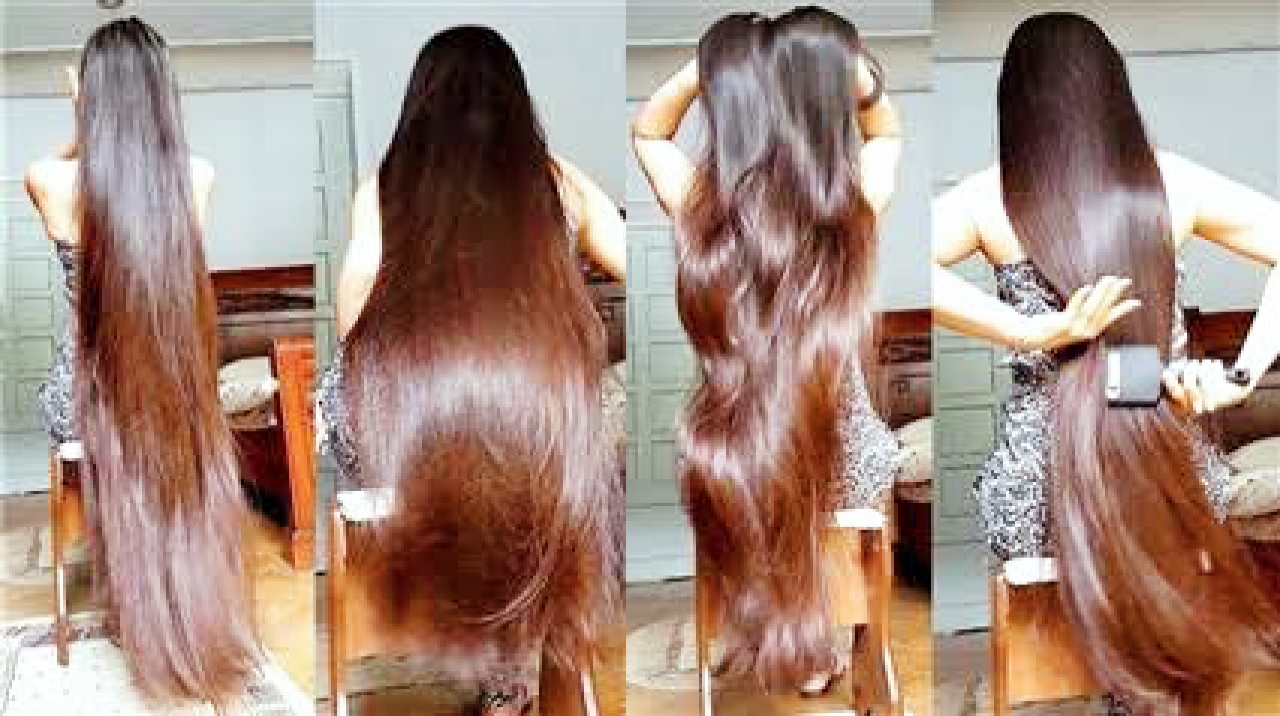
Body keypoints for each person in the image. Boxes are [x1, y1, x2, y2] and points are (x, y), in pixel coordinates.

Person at [932, 12, 1280, 713]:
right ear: (1114, 92)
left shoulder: (987, 197)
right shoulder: (1170, 183)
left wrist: (1032, 332)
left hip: (1035, 494)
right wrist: (1240, 376)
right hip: (1168, 468)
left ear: (1017, 102)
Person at [314, 25, 625, 716]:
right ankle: (514, 666)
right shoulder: (554, 184)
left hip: (413, 440)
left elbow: (353, 327)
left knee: (343, 395)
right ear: (516, 101)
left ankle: (461, 630)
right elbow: (635, 258)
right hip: (533, 437)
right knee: (584, 418)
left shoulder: (384, 190)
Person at [631, 6, 904, 694]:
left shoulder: (704, 211)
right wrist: (856, 77)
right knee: (838, 464)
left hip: (734, 453)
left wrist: (708, 68)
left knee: (736, 465)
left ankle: (765, 624)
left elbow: (649, 131)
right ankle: (822, 639)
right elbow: (887, 132)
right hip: (846, 452)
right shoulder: (851, 211)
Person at [25, 17, 257, 707]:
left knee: (91, 405)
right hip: (167, 385)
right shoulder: (197, 176)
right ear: (163, 93)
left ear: (90, 95)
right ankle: (183, 606)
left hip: (84, 393)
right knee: (166, 418)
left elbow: (60, 163)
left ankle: (129, 589)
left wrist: (80, 122)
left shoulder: (48, 179)